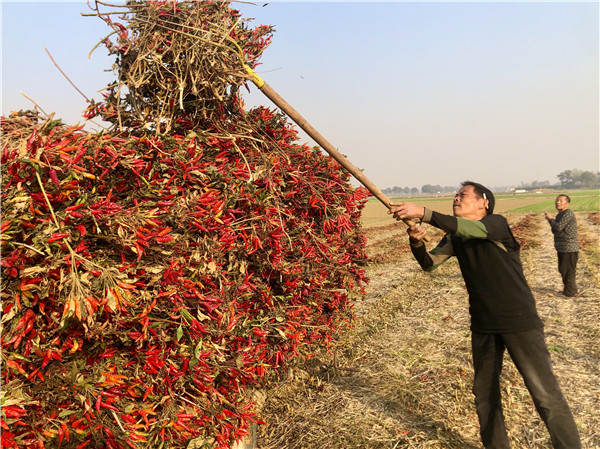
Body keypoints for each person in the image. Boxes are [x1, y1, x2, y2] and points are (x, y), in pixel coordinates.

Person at [390, 181, 581, 449]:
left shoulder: (496, 224)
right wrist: (416, 242)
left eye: (463, 195)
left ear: (484, 203)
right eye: (455, 195)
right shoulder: (455, 237)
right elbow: (429, 264)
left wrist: (425, 212)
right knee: (484, 396)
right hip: (483, 324)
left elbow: (473, 230)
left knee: (545, 394)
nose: (456, 199)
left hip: (519, 321)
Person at [545, 195, 579, 297]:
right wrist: (552, 221)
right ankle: (569, 290)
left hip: (569, 247)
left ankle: (570, 292)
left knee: (568, 270)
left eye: (560, 201)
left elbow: (558, 227)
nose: (558, 202)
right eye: (557, 200)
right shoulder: (560, 215)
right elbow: (555, 230)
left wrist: (550, 219)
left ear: (567, 204)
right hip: (562, 247)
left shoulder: (568, 213)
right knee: (563, 269)